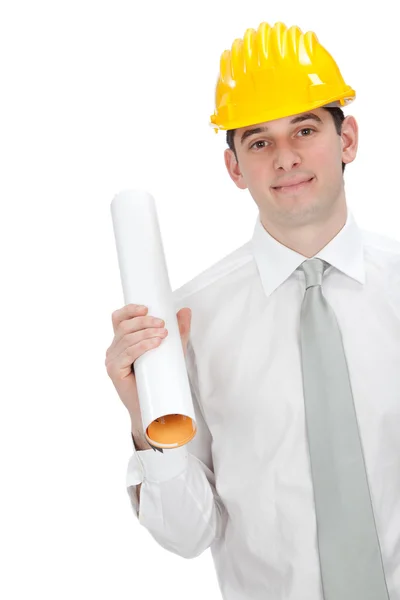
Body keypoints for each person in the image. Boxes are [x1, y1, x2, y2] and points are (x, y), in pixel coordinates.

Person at [105, 21, 400, 600]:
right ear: (235, 167)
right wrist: (149, 424)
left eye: (305, 129)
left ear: (348, 140)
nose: (285, 157)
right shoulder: (186, 325)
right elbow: (189, 535)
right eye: (259, 141)